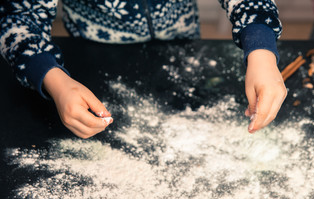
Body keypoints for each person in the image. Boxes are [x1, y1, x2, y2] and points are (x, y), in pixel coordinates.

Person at [0, 0, 287, 139]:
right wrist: (53, 79)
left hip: (180, 47)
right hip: (93, 60)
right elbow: (18, 17)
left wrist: (261, 50)